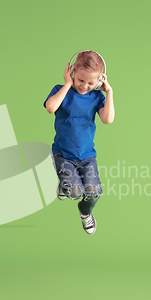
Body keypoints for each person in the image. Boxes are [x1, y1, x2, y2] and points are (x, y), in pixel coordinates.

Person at [43, 50, 115, 235]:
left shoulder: (97, 97)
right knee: (75, 193)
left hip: (87, 156)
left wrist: (109, 92)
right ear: (72, 72)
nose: (85, 86)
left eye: (91, 82)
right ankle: (65, 184)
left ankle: (85, 213)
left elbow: (107, 119)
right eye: (80, 80)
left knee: (94, 192)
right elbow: (51, 108)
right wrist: (67, 83)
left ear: (99, 80)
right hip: (63, 154)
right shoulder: (61, 90)